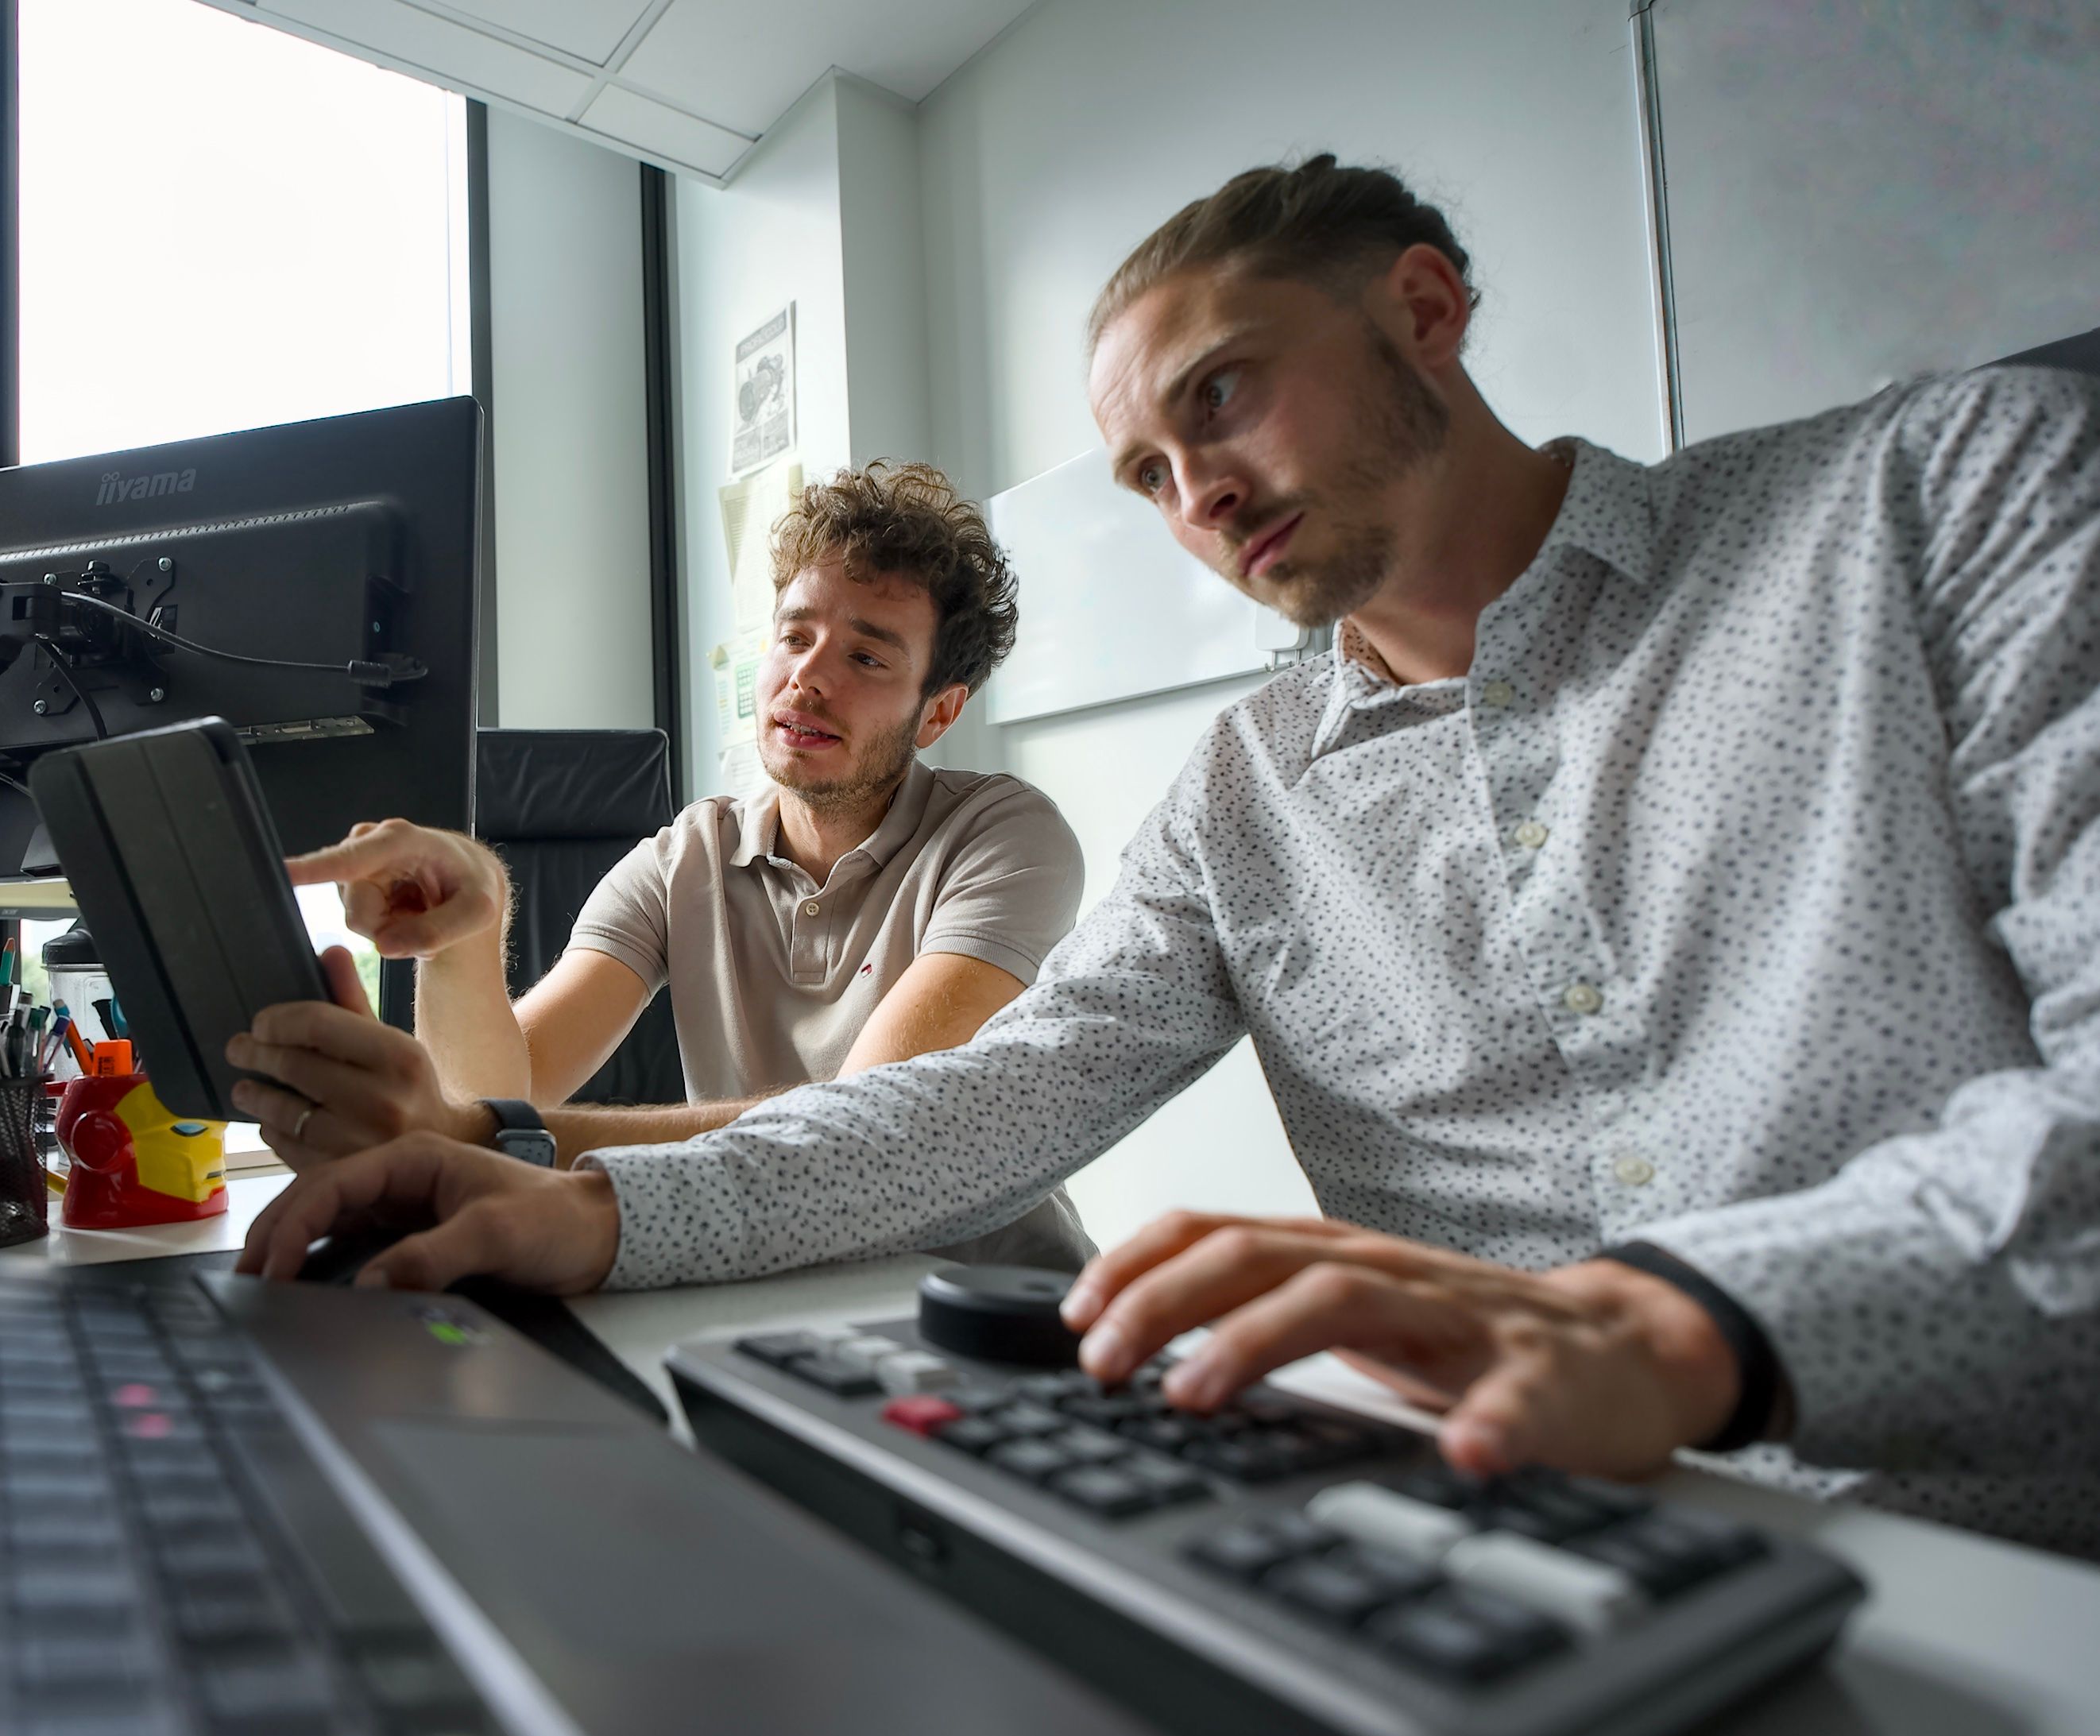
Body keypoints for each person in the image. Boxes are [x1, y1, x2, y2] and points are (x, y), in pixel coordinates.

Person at [240, 157, 2100, 1555]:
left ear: (1423, 311)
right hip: (1495, 1542)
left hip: (1990, 1537)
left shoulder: (1940, 495)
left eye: (1218, 394)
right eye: (1140, 469)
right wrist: (593, 1208)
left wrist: (1693, 1325)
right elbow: (994, 1099)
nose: (1191, 493)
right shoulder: (1246, 787)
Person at [229, 461, 1089, 1268]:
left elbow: (857, 1133)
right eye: (794, 637)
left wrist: (481, 1139)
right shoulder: (689, 855)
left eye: (865, 657)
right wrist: (469, 929)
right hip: (761, 1284)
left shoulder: (1006, 838)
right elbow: (502, 1085)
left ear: (936, 713)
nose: (808, 679)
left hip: (987, 1310)